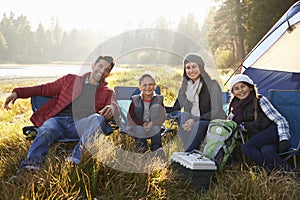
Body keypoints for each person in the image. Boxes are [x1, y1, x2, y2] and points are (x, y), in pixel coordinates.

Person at [4, 55, 119, 170]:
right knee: (47, 128)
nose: (102, 70)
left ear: (108, 74)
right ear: (93, 66)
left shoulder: (107, 92)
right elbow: (44, 89)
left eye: (106, 69)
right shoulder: (70, 80)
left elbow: (114, 105)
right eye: (100, 66)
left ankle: (75, 159)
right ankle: (30, 166)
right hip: (58, 121)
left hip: (80, 126)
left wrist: (112, 108)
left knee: (98, 119)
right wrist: (17, 93)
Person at [228, 74, 293, 172]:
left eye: (243, 86)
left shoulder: (259, 101)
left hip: (271, 132)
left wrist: (284, 139)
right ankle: (291, 173)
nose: (241, 90)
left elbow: (280, 120)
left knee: (246, 147)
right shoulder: (235, 108)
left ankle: (268, 172)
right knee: (267, 151)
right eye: (236, 88)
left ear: (250, 87)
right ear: (233, 92)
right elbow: (232, 124)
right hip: (258, 138)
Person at [166, 53, 226, 152]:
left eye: (194, 67)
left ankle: (187, 152)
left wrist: (195, 120)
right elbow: (175, 109)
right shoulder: (184, 88)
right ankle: (191, 150)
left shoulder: (212, 85)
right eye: (188, 68)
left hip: (210, 120)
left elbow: (216, 111)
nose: (191, 70)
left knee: (198, 124)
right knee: (184, 115)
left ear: (201, 68)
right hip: (191, 122)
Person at [126, 73, 166, 153]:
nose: (148, 87)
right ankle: (142, 149)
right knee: (140, 130)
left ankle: (157, 150)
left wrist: (153, 123)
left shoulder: (158, 99)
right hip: (138, 125)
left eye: (151, 84)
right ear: (140, 87)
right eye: (144, 85)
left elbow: (162, 116)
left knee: (156, 128)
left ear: (155, 86)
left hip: (153, 124)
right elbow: (130, 117)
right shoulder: (135, 100)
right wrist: (141, 123)